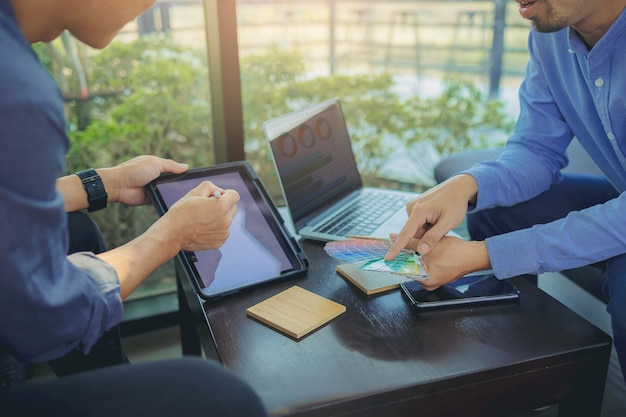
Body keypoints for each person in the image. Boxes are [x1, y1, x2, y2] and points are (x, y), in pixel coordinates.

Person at [0, 0, 267, 416]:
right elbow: (43, 317)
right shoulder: (16, 90)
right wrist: (170, 236)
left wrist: (105, 183)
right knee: (219, 396)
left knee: (77, 234)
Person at [386, 0, 626, 385]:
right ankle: (514, 370)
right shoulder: (549, 39)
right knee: (493, 208)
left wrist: (485, 256)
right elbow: (537, 149)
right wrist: (465, 186)